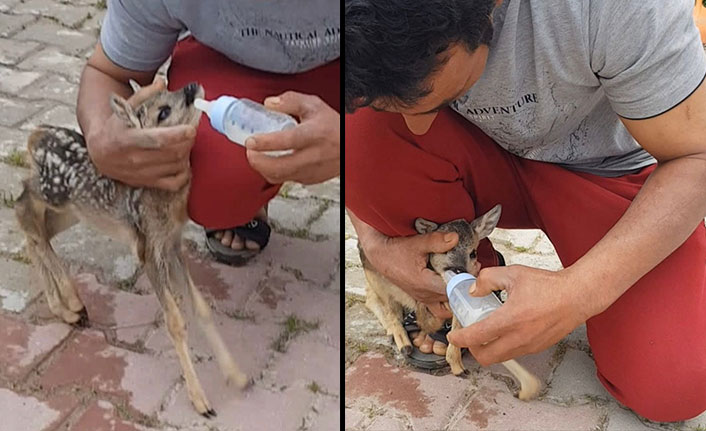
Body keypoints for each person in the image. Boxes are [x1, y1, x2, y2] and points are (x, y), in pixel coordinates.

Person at [345, 0, 706, 422]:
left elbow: (696, 159)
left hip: (612, 175)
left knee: (675, 379)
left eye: (445, 98)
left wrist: (576, 294)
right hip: (488, 159)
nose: (419, 126)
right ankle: (471, 286)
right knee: (360, 137)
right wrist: (375, 242)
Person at [77, 0, 340, 265]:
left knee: (375, 173)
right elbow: (108, 72)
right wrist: (101, 140)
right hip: (229, 60)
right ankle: (245, 199)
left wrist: (349, 143)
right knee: (201, 175)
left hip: (364, 57)